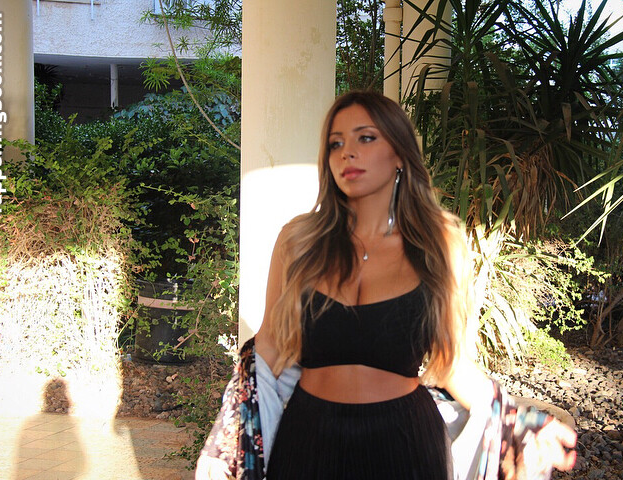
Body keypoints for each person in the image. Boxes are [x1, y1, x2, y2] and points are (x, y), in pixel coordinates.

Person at [200, 91, 577, 479]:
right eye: (336, 143)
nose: (347, 152)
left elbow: (452, 365)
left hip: (405, 443)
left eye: (365, 138)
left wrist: (519, 421)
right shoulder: (298, 241)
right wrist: (226, 437)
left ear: (399, 153)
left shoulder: (439, 244)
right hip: (309, 439)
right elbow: (269, 347)